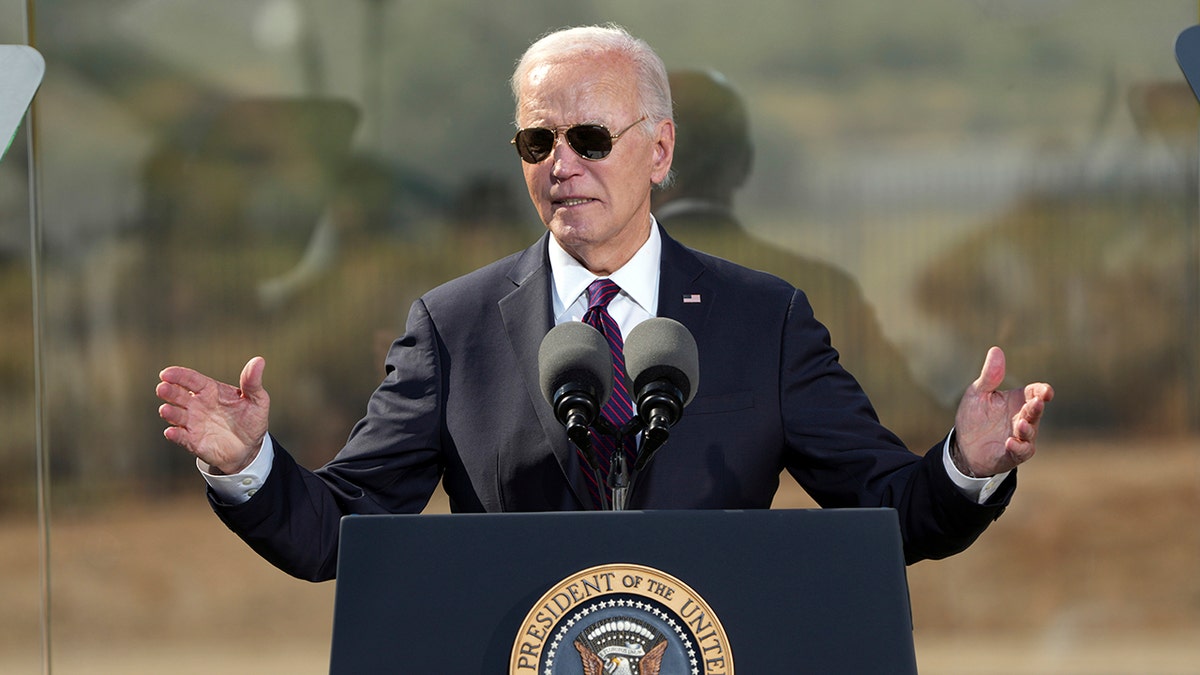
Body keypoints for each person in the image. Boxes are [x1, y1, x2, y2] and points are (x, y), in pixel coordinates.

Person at [156, 24, 1053, 583]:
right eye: (536, 138)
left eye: (589, 136)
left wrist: (966, 465)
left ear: (659, 150)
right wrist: (252, 467)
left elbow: (885, 513)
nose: (561, 163)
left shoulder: (762, 318)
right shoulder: (454, 328)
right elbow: (343, 535)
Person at [653, 68, 950, 451]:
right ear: (744, 163)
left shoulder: (591, 293)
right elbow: (912, 423)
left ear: (658, 159)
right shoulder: (821, 288)